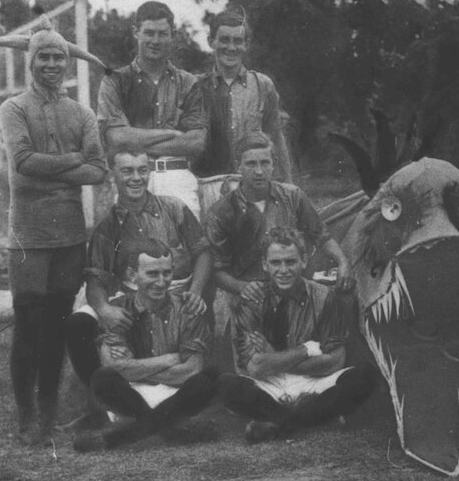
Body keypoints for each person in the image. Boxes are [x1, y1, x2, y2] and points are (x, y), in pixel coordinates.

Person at [0, 26, 108, 444]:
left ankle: (47, 415)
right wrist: (73, 160)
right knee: (28, 323)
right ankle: (26, 418)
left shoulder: (82, 113)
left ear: (67, 62)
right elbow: (23, 162)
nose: (51, 64)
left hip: (69, 237)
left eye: (58, 57)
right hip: (28, 236)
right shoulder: (14, 108)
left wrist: (55, 169)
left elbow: (99, 170)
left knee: (58, 324)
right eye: (43, 57)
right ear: (31, 62)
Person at [64, 144, 210, 428]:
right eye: (127, 171)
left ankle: (168, 400)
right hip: (132, 299)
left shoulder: (174, 208)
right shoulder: (107, 228)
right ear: (113, 175)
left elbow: (203, 252)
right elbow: (95, 281)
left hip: (176, 291)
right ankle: (100, 407)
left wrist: (195, 291)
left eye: (142, 170)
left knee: (195, 320)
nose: (136, 178)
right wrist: (104, 309)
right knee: (78, 323)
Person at [218, 228, 376, 441]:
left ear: (304, 261)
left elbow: (335, 361)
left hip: (313, 380)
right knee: (226, 385)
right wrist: (307, 349)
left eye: (290, 262)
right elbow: (256, 368)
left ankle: (278, 421)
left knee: (365, 375)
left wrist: (273, 356)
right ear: (264, 264)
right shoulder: (250, 302)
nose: (283, 270)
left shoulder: (325, 297)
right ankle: (313, 417)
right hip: (270, 384)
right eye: (276, 263)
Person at [204, 133, 353, 346]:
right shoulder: (221, 212)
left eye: (265, 163)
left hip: (296, 292)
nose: (259, 171)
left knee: (337, 328)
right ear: (238, 167)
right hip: (253, 299)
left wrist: (343, 261)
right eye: (251, 164)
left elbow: (321, 235)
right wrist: (241, 287)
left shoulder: (293, 196)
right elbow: (217, 271)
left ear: (273, 165)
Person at [73, 240, 218, 452]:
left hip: (176, 393)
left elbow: (192, 370)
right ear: (133, 276)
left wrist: (133, 368)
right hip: (133, 396)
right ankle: (174, 428)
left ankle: (117, 438)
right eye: (152, 274)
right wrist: (168, 359)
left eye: (167, 273)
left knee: (204, 381)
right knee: (103, 378)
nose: (161, 282)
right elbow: (113, 367)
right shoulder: (115, 311)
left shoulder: (187, 309)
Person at [96, 1, 206, 216]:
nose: (155, 41)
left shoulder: (188, 82)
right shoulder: (115, 81)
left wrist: (136, 139)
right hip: (131, 177)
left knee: (182, 237)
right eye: (149, 33)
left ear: (173, 35)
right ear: (136, 32)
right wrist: (170, 133)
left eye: (162, 34)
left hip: (176, 177)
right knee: (132, 237)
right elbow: (116, 138)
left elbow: (196, 142)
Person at [193, 8, 293, 213]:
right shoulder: (194, 87)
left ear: (246, 44)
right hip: (208, 188)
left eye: (238, 41)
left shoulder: (263, 85)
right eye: (224, 40)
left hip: (253, 188)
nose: (231, 47)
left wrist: (289, 185)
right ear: (211, 41)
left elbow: (276, 136)